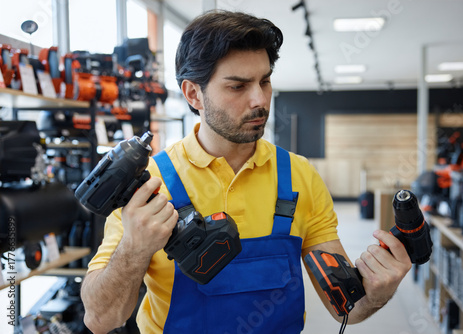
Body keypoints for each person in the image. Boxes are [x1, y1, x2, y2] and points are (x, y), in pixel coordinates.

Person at [81, 10, 411, 334]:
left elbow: (345, 307)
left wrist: (377, 295)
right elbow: (100, 320)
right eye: (238, 86)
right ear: (193, 94)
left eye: (264, 81)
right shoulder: (151, 182)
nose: (260, 100)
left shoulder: (300, 176)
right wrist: (134, 249)